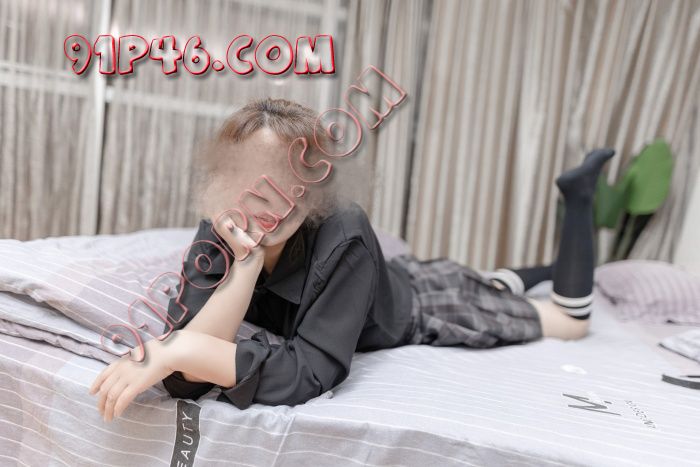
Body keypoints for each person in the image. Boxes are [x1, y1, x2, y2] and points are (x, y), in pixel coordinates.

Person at [89, 98, 615, 421]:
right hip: (388, 278)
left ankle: (578, 200)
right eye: (251, 183)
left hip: (418, 304)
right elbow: (190, 370)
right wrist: (245, 266)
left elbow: (309, 371)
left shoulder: (345, 232)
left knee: (570, 320)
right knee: (490, 280)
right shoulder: (222, 226)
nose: (271, 202)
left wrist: (178, 346)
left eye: (290, 182)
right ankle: (511, 278)